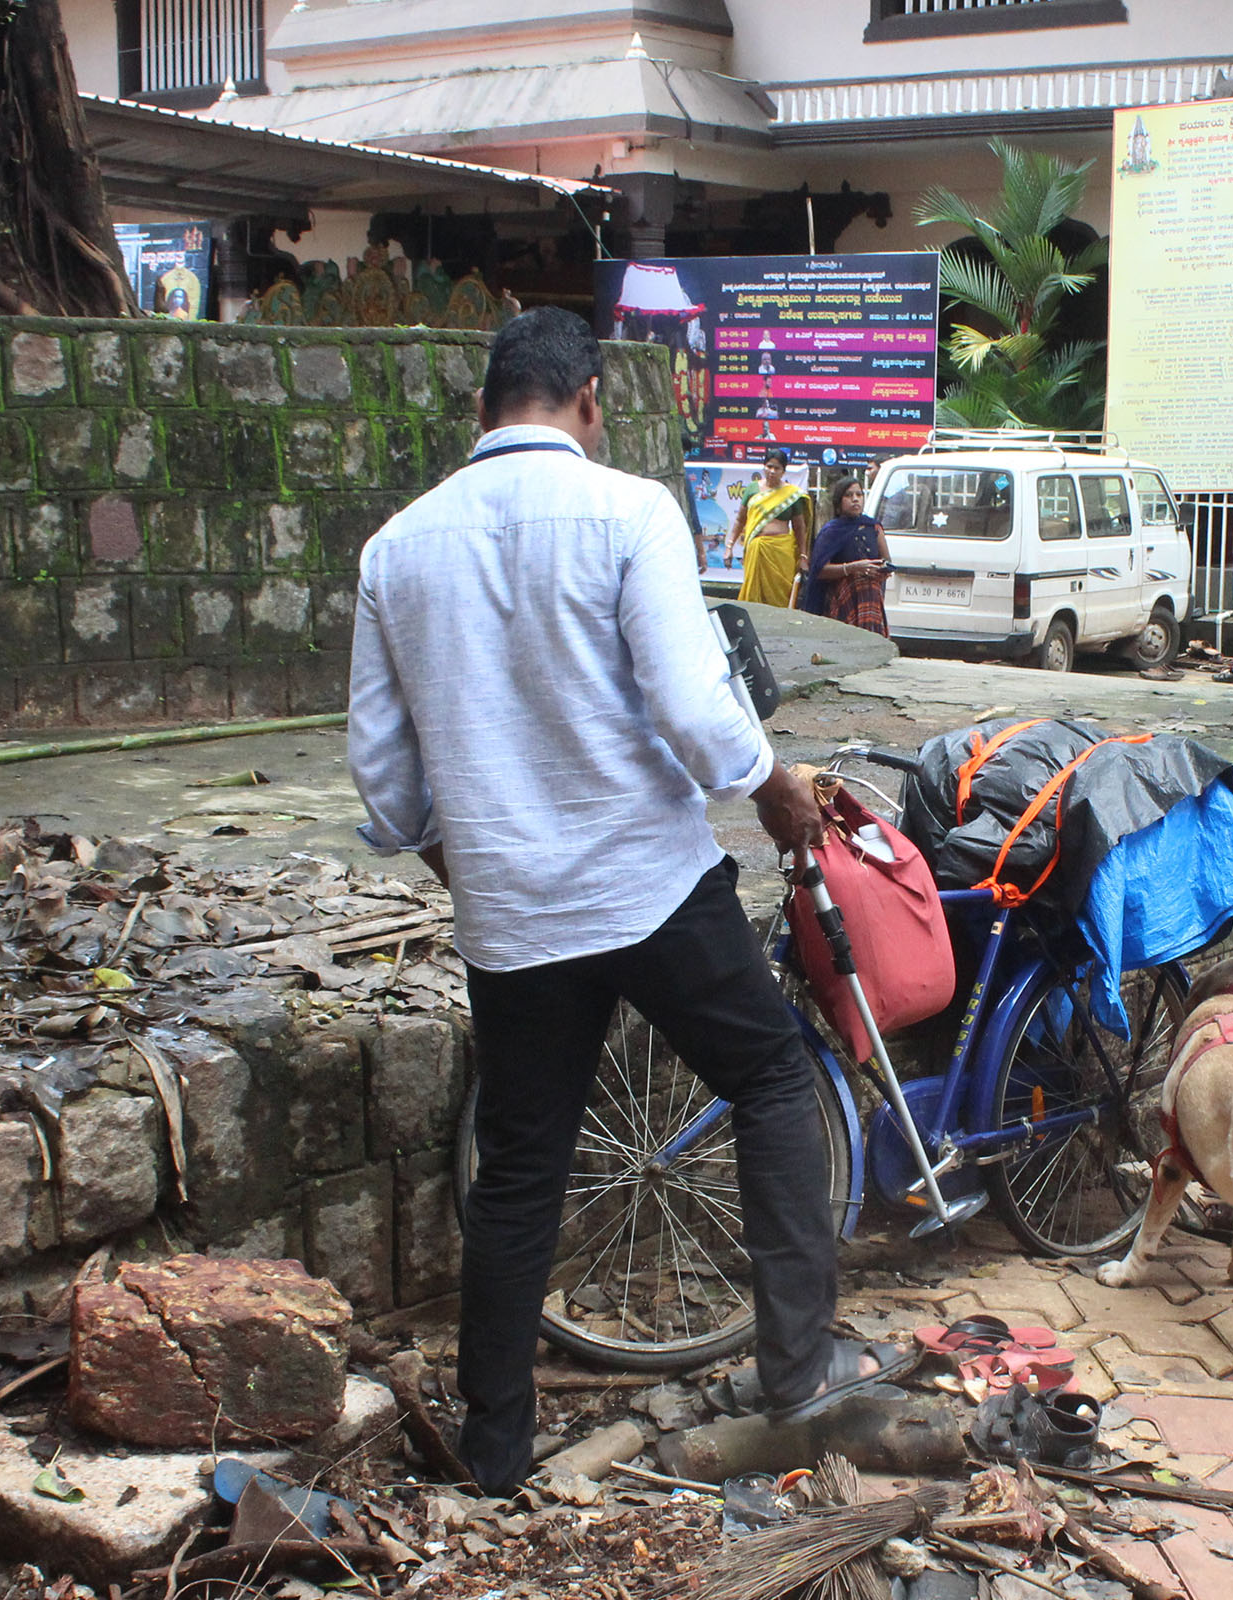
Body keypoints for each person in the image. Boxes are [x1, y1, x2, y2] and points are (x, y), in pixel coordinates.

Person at [345, 309, 905, 1499]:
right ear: (588, 401)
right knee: (767, 1078)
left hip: (511, 919)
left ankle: (494, 1449)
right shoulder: (630, 510)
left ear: (485, 409)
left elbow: (386, 781)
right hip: (648, 887)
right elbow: (696, 705)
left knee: (523, 1166)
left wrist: (466, 858)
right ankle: (795, 1372)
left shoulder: (396, 549)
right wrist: (772, 785)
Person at [802, 477, 890, 637]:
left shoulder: (873, 527)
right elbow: (819, 570)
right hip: (842, 597)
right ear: (839, 502)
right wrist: (852, 568)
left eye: (859, 494)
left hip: (870, 599)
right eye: (849, 495)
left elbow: (886, 560)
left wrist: (881, 570)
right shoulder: (831, 531)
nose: (855, 499)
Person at [735, 448, 812, 607]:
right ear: (763, 467)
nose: (772, 471)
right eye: (769, 466)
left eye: (777, 468)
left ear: (783, 471)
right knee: (752, 597)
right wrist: (729, 546)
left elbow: (799, 527)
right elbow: (740, 520)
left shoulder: (792, 495)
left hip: (781, 551)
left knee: (780, 597)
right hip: (756, 549)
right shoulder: (752, 489)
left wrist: (803, 557)